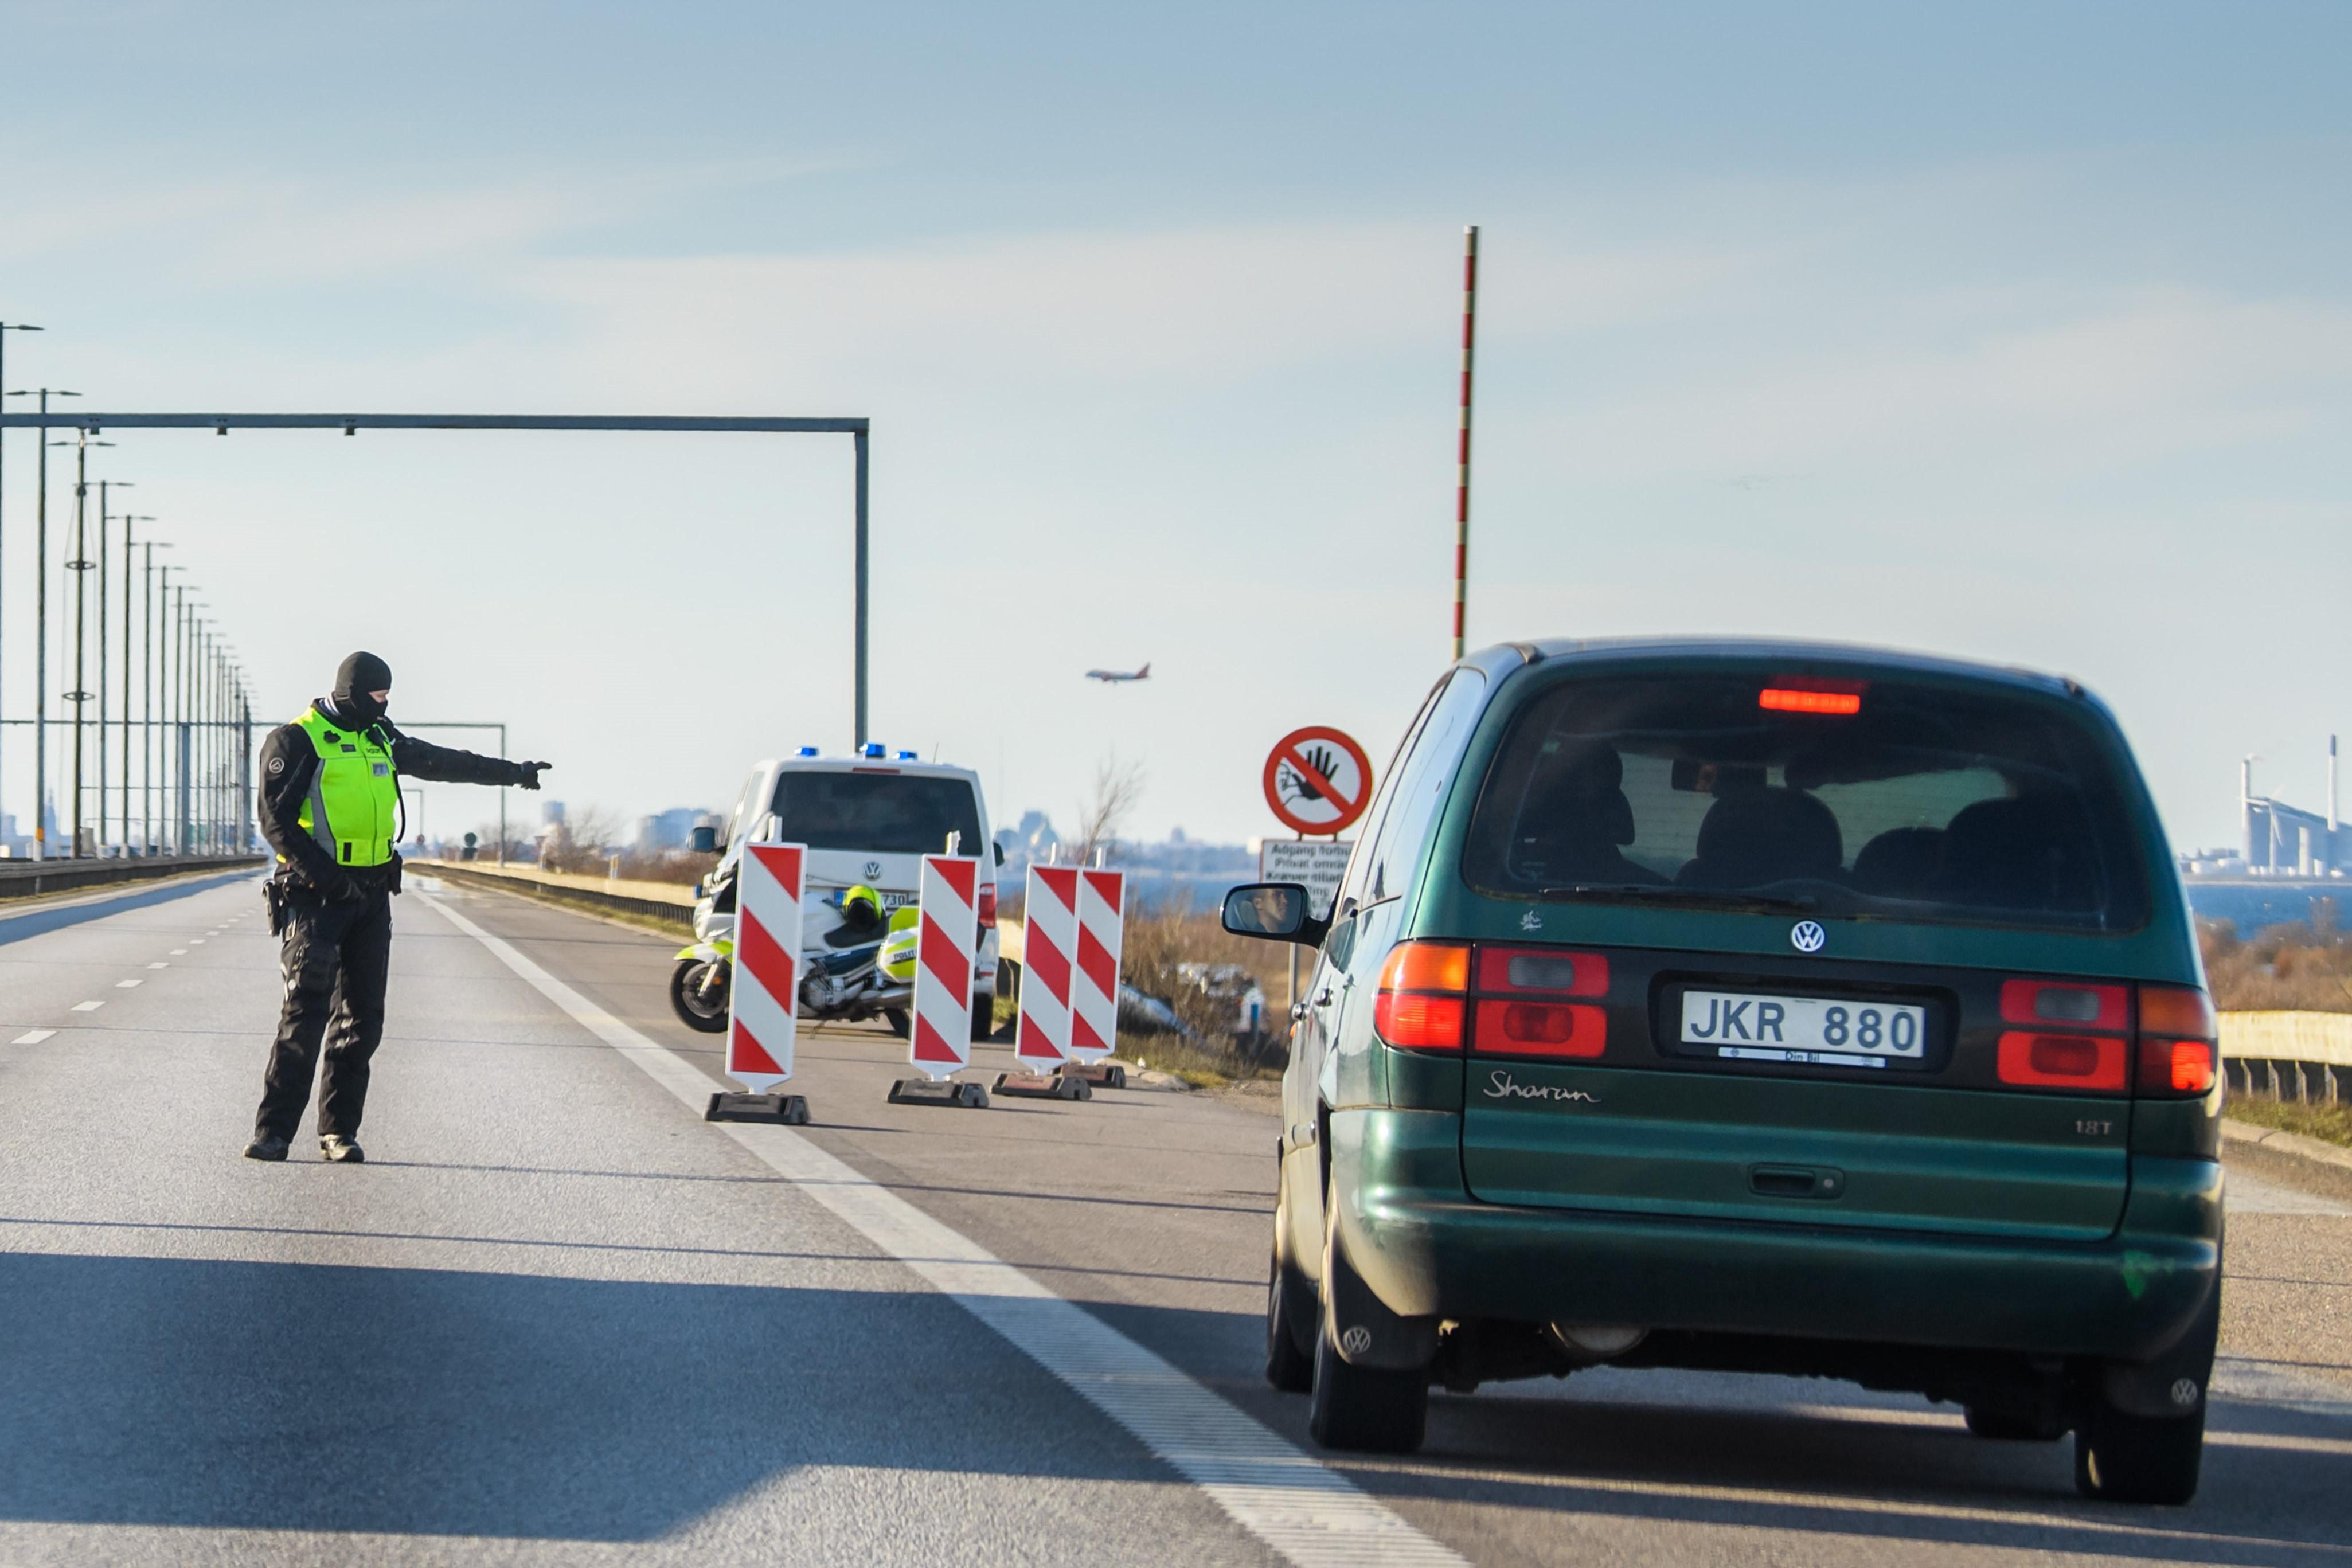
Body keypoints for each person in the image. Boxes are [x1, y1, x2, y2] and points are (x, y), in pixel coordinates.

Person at [243, 652, 551, 1164]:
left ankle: (338, 1132)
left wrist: (513, 773)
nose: (384, 704)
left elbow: (444, 762)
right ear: (350, 692)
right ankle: (272, 1132)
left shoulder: (379, 736)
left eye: (387, 696)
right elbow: (275, 822)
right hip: (315, 895)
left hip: (370, 895)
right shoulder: (296, 740)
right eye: (377, 696)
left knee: (363, 1020)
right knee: (305, 1015)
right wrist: (329, 878)